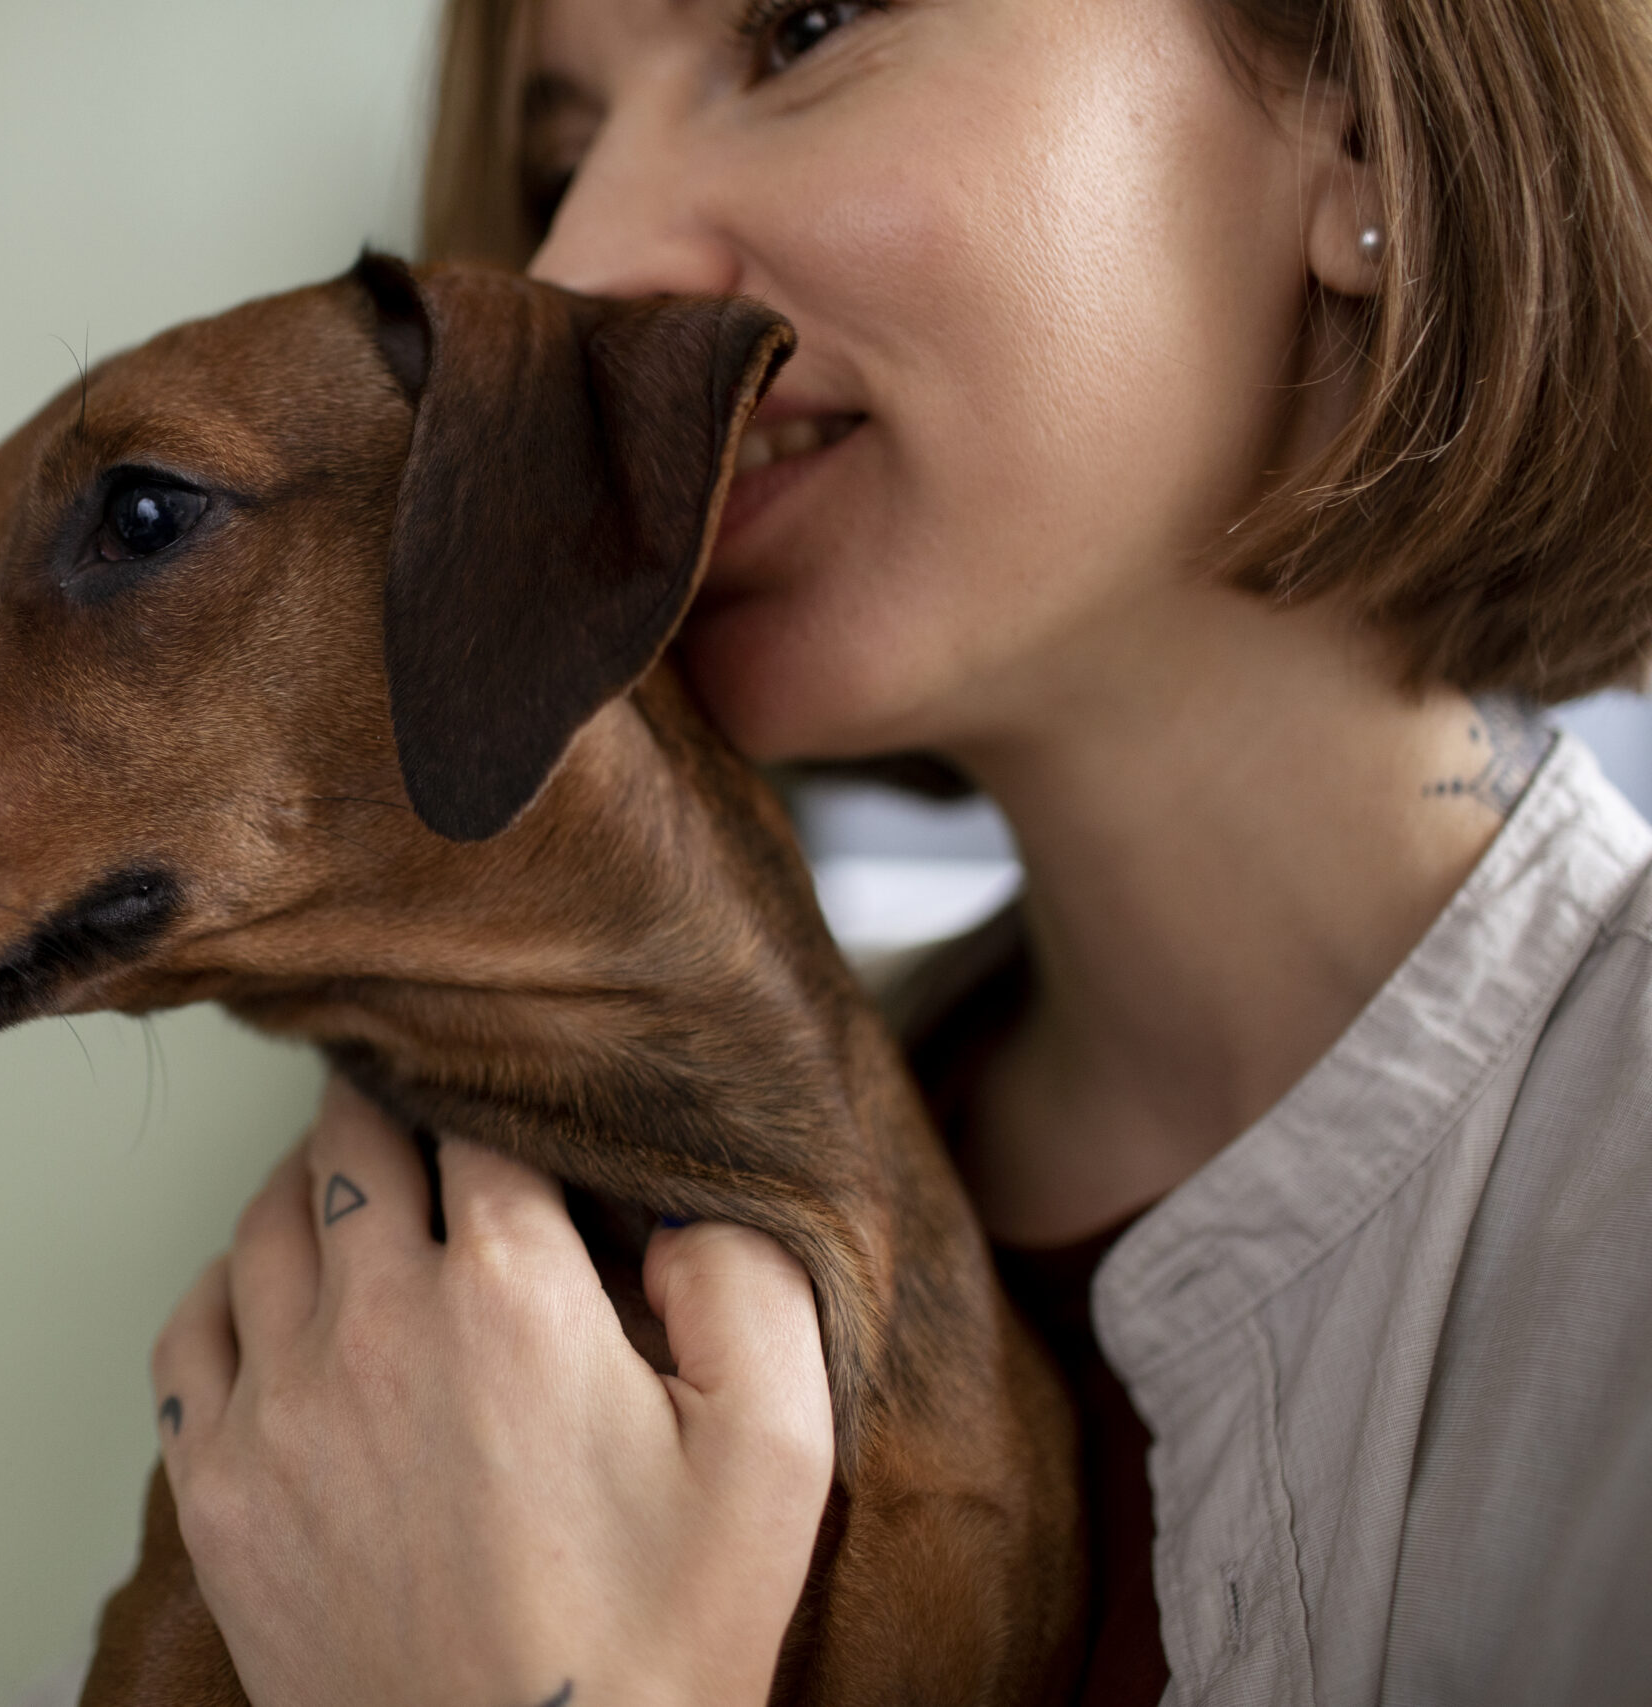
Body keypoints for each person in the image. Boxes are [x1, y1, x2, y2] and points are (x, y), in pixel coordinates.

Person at [141, 0, 1652, 1701]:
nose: (585, 255)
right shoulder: (491, 1271)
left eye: (805, 28)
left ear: (1363, 128)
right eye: (558, 160)